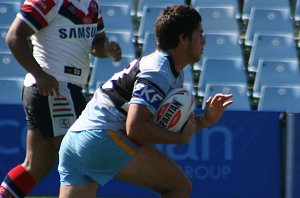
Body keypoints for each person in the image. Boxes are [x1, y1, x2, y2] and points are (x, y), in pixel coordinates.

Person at [58, 4, 233, 198]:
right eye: (200, 34)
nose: (204, 41)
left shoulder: (166, 68)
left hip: (74, 140)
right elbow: (136, 127)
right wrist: (179, 140)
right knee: (179, 187)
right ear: (183, 39)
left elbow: (171, 125)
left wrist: (205, 121)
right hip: (100, 137)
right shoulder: (159, 72)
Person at [0, 0, 122, 197]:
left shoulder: (92, 5)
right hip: (56, 88)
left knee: (35, 166)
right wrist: (39, 74)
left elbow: (96, 43)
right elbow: (15, 36)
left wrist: (106, 48)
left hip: (63, 89)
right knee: (81, 165)